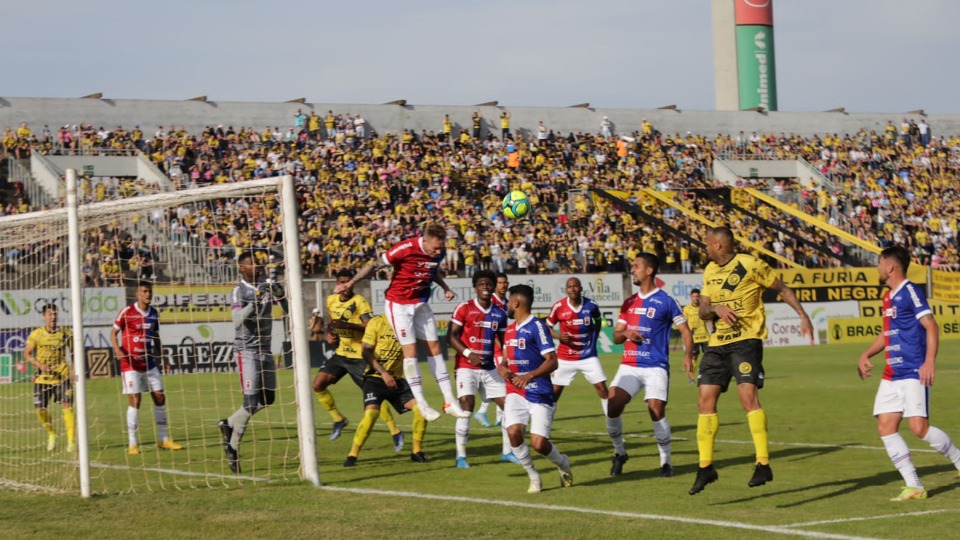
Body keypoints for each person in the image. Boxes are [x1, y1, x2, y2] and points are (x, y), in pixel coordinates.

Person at [689, 226, 813, 495]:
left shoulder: (750, 264)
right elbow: (702, 310)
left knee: (748, 397)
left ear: (719, 245)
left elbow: (782, 288)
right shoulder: (710, 271)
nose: (705, 247)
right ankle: (705, 467)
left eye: (708, 243)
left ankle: (763, 463)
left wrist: (803, 316)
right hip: (718, 343)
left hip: (746, 340)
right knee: (704, 400)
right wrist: (716, 309)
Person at [335, 222, 469, 421]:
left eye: (441, 247)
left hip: (420, 303)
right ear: (425, 240)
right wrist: (351, 283)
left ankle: (449, 400)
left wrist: (445, 287)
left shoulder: (438, 253)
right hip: (399, 305)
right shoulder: (405, 248)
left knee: (435, 348)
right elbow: (374, 264)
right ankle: (421, 402)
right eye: (436, 247)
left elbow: (432, 270)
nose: (439, 251)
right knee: (411, 351)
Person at [857, 245, 960, 501]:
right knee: (885, 426)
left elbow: (931, 325)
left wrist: (929, 362)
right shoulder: (888, 297)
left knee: (918, 428)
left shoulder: (910, 291)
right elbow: (887, 333)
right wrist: (867, 354)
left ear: (890, 266)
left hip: (914, 370)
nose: (878, 268)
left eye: (879, 263)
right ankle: (913, 485)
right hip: (892, 373)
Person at [607, 254, 694, 478]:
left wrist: (688, 356)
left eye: (636, 266)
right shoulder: (629, 303)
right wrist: (626, 332)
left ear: (649, 270)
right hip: (630, 365)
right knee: (612, 406)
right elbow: (616, 336)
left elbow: (685, 331)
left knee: (655, 408)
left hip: (655, 365)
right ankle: (620, 453)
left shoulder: (666, 301)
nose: (632, 270)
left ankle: (666, 462)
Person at [312, 269, 404, 450]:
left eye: (349, 282)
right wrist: (330, 333)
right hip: (341, 354)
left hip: (359, 356)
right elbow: (332, 322)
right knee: (318, 384)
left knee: (373, 397)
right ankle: (338, 419)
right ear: (337, 284)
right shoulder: (331, 300)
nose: (346, 285)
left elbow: (369, 326)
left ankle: (395, 431)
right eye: (342, 282)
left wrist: (346, 325)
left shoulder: (359, 302)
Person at [498, 284, 573, 493]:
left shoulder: (537, 326)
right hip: (515, 391)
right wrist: (502, 368)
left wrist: (529, 375)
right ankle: (534, 477)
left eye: (509, 301)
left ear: (516, 303)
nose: (507, 305)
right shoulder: (510, 330)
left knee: (539, 444)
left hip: (539, 391)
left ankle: (563, 464)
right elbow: (505, 360)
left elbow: (553, 361)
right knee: (513, 432)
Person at [219, 251, 287, 473]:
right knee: (250, 402)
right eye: (252, 264)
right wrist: (256, 299)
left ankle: (228, 423)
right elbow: (237, 321)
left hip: (266, 350)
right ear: (241, 268)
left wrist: (282, 295)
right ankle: (233, 447)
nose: (257, 266)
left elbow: (288, 310)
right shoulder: (239, 291)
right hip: (246, 351)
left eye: (259, 262)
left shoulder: (266, 285)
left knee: (268, 399)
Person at [343, 314, 429, 466]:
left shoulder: (408, 323)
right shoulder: (377, 322)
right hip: (375, 378)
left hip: (397, 381)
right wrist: (384, 373)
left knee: (422, 410)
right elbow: (366, 351)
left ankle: (416, 452)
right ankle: (352, 455)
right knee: (371, 415)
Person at [447, 270, 513, 468]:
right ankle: (461, 456)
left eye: (488, 284)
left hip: (490, 368)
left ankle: (508, 452)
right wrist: (468, 354)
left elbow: (504, 342)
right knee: (467, 408)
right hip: (466, 366)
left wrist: (505, 362)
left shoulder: (500, 313)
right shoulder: (464, 308)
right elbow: (450, 336)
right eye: (481, 284)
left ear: (492, 288)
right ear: (475, 287)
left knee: (508, 407)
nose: (485, 287)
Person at [111, 281, 183, 454]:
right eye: (144, 292)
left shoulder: (153, 314)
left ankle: (163, 439)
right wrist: (117, 350)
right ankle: (132, 443)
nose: (148, 295)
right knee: (136, 400)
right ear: (137, 294)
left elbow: (156, 336)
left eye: (150, 291)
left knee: (160, 397)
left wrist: (163, 357)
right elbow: (113, 333)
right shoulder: (127, 312)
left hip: (149, 362)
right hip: (130, 364)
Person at [545, 277, 608, 413]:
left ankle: (614, 429)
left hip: (588, 356)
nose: (572, 289)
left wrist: (594, 338)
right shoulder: (559, 306)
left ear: (580, 288)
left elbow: (597, 321)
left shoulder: (591, 304)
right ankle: (545, 429)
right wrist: (558, 336)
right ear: (566, 290)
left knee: (602, 389)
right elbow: (547, 327)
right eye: (569, 287)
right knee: (554, 394)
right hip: (565, 357)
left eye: (575, 286)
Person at [24, 304, 75, 452]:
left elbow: (75, 352)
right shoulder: (37, 334)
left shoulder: (66, 333)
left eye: (55, 314)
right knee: (40, 409)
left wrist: (73, 369)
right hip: (42, 378)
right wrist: (39, 364)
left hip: (62, 376)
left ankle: (71, 441)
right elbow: (26, 354)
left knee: (67, 406)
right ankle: (51, 433)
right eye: (50, 314)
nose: (53, 317)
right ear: (43, 317)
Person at [474, 272, 510, 427]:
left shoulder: (506, 303)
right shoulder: (491, 301)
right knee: (500, 383)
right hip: (492, 351)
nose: (503, 285)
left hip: (501, 350)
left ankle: (495, 415)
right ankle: (489, 413)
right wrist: (496, 342)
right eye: (500, 282)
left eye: (505, 282)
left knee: (501, 384)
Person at [682, 288, 711, 383]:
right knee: (693, 357)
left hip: (705, 336)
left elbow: (708, 320)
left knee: (708, 356)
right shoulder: (686, 309)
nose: (696, 298)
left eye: (697, 296)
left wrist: (713, 331)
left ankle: (702, 371)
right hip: (693, 338)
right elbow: (683, 323)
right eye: (694, 296)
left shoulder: (703, 308)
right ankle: (691, 376)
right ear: (690, 297)